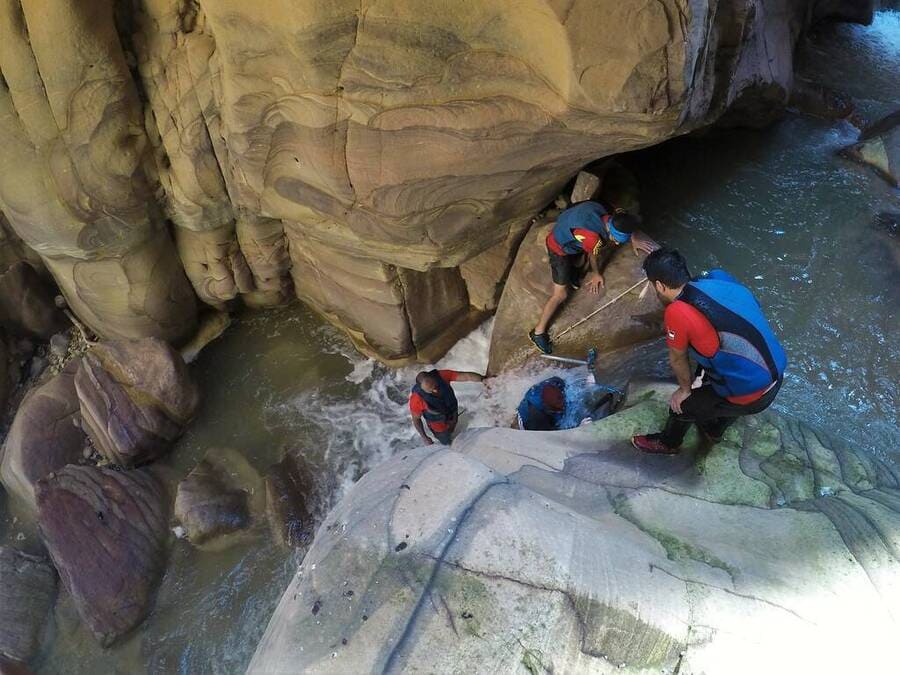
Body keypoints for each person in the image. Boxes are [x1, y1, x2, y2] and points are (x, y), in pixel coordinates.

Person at [631, 248, 787, 454]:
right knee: (708, 374)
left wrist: (684, 391)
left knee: (681, 406)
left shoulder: (677, 312)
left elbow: (678, 359)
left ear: (659, 285)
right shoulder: (718, 278)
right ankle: (714, 430)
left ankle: (669, 443)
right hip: (776, 376)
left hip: (752, 394)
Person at [529, 201, 658, 355]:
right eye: (616, 240)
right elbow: (593, 256)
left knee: (580, 262)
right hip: (557, 247)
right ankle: (538, 333)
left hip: (569, 225)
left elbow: (623, 215)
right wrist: (596, 274)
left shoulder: (607, 211)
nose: (616, 243)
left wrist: (633, 237)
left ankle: (573, 273)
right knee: (561, 294)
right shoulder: (593, 238)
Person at [409, 369, 484, 445]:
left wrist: (483, 379)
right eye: (430, 390)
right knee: (447, 442)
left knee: (453, 428)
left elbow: (466, 376)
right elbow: (416, 420)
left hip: (452, 414)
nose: (435, 390)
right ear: (421, 388)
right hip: (438, 426)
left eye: (435, 386)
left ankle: (453, 430)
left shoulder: (442, 375)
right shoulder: (416, 399)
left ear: (433, 377)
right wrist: (425, 437)